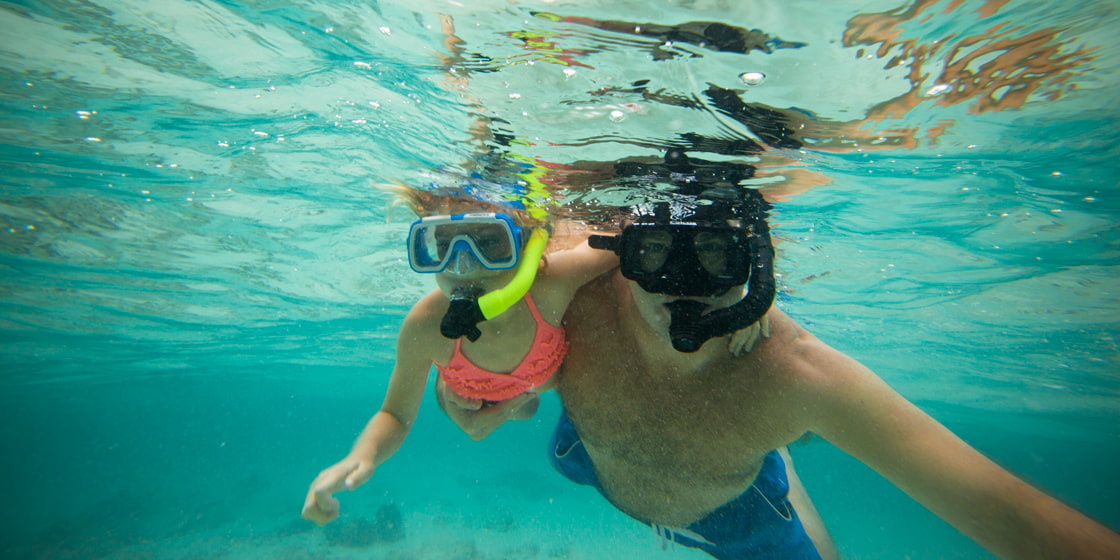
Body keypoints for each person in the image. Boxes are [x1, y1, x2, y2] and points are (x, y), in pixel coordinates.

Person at [440, 183, 1120, 559]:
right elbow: (488, 357)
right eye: (655, 252)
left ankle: (779, 462)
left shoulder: (792, 375)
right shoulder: (578, 303)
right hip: (586, 455)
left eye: (716, 255)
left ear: (758, 265)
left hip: (733, 513)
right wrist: (486, 395)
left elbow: (1020, 522)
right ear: (623, 250)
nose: (683, 285)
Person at [300, 182, 764, 525]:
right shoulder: (425, 327)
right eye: (442, 247)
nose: (463, 266)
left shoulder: (551, 284)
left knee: (530, 402)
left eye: (489, 244)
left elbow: (638, 239)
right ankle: (520, 407)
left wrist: (753, 294)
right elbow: (395, 415)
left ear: (527, 246)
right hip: (487, 392)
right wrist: (358, 456)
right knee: (515, 408)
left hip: (539, 382)